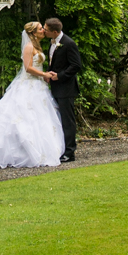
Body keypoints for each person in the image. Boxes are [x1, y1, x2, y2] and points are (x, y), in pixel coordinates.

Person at [0, 21, 65, 168]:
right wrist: (44, 73)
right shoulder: (29, 47)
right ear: (32, 33)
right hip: (28, 84)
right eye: (39, 29)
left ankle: (41, 150)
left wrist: (43, 76)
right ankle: (20, 152)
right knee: (23, 118)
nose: (43, 30)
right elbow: (28, 68)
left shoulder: (37, 45)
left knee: (40, 118)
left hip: (38, 85)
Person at [45, 17, 82, 162]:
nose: (43, 31)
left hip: (66, 88)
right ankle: (60, 148)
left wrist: (59, 76)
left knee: (68, 120)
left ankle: (70, 152)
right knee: (58, 119)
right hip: (55, 87)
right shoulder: (53, 42)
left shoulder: (68, 43)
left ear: (54, 32)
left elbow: (76, 65)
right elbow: (53, 62)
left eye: (46, 29)